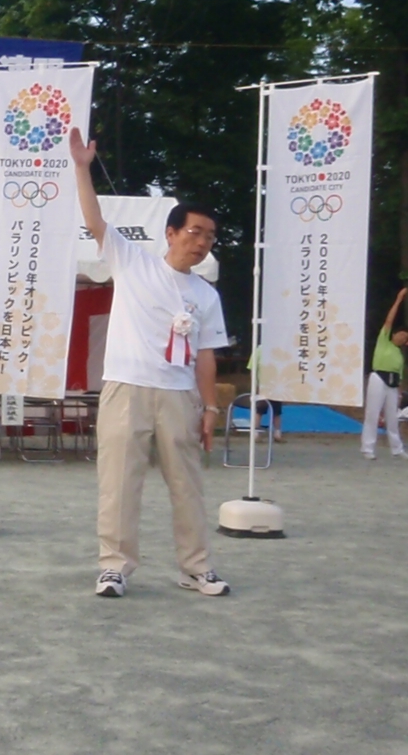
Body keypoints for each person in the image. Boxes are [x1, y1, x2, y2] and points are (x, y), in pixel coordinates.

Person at [69, 127, 231, 598]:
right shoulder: (133, 262)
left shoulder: (207, 294)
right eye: (194, 232)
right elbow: (94, 218)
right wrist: (82, 167)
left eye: (209, 236)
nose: (201, 242)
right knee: (119, 482)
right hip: (126, 386)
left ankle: (195, 567)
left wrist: (210, 409)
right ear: (172, 233)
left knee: (188, 485)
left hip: (180, 396)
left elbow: (205, 356)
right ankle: (114, 566)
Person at [360, 287, 408, 460]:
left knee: (392, 418)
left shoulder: (399, 355)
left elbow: (400, 374)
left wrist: (400, 390)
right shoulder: (384, 341)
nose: (401, 338)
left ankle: (397, 448)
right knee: (372, 414)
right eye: (400, 335)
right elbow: (389, 320)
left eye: (405, 338)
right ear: (394, 334)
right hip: (378, 378)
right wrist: (399, 299)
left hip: (393, 384)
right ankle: (367, 448)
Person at [247, 346, 283, 442]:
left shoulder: (261, 349)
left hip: (275, 385)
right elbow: (252, 368)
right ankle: (256, 433)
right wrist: (255, 385)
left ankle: (276, 433)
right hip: (265, 386)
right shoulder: (260, 349)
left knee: (276, 411)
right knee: (260, 410)